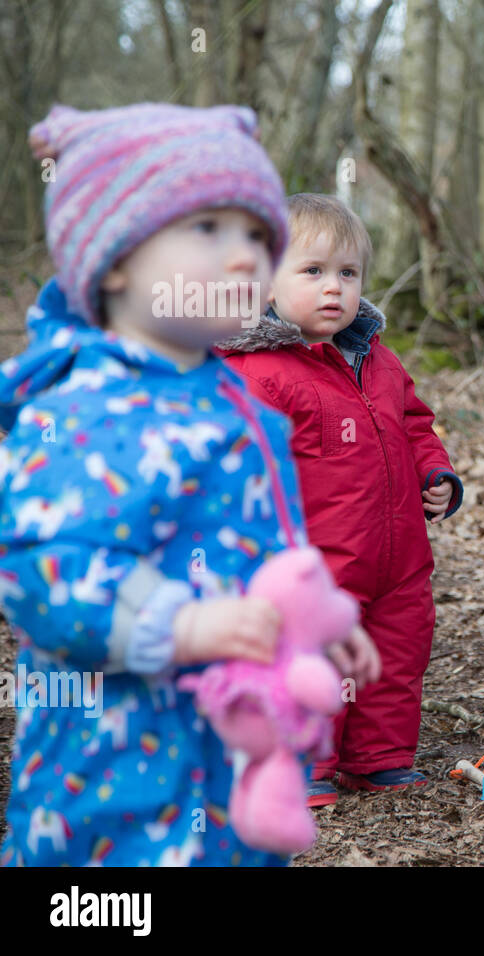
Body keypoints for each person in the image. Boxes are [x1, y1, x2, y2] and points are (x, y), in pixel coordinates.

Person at [0, 103, 376, 866]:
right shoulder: (83, 405)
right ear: (113, 261)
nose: (244, 258)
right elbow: (44, 569)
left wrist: (315, 616)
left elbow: (266, 532)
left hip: (231, 747)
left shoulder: (230, 393)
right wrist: (183, 627)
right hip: (112, 774)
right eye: (207, 230)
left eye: (255, 235)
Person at [219, 194, 461, 804]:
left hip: (398, 554)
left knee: (397, 651)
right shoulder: (260, 372)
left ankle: (378, 755)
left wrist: (437, 475)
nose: (334, 288)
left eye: (347, 273)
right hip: (315, 559)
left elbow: (414, 424)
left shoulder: (378, 361)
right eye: (313, 271)